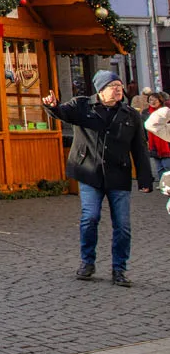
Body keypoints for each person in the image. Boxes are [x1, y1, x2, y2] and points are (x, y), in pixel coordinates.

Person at [45, 71, 154, 286]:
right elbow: (62, 113)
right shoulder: (82, 106)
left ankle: (119, 269)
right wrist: (52, 106)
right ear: (101, 90)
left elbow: (140, 149)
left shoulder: (130, 114)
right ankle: (87, 262)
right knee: (90, 217)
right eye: (113, 85)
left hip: (119, 174)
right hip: (89, 172)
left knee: (122, 225)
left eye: (119, 85)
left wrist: (145, 179)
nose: (118, 89)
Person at [141, 91, 170, 181]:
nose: (152, 102)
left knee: (167, 166)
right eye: (150, 100)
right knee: (159, 167)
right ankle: (163, 184)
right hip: (152, 142)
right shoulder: (146, 112)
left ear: (160, 101)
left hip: (165, 142)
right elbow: (143, 127)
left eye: (154, 100)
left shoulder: (166, 111)